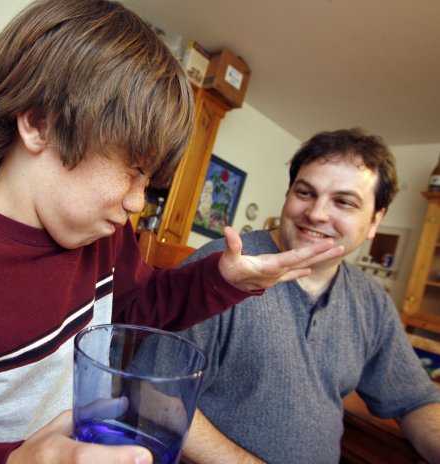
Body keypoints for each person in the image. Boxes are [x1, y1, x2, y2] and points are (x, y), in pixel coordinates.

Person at [0, 1, 343, 463]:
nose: (138, 202)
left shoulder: (103, 240)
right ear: (41, 125)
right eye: (133, 169)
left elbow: (141, 311)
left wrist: (225, 277)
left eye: (149, 181)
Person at [175, 128, 440, 464]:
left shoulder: (371, 301)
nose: (316, 214)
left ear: (375, 221)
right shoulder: (223, 268)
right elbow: (160, 395)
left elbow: (414, 400)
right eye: (305, 192)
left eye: (343, 201)